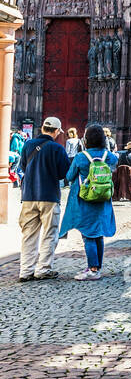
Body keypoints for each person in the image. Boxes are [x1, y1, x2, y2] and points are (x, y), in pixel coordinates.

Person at [59, 123, 118, 279]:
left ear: (86, 140)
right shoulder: (109, 156)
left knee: (88, 234)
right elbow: (114, 167)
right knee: (98, 234)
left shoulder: (81, 157)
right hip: (103, 198)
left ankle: (92, 270)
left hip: (85, 199)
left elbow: (70, 176)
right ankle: (97, 267)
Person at [17, 116, 70, 282]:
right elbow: (64, 174)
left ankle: (25, 271)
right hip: (49, 196)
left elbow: (23, 167)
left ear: (42, 129)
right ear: (56, 131)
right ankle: (43, 269)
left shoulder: (27, 145)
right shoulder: (57, 148)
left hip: (28, 196)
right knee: (49, 233)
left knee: (28, 235)